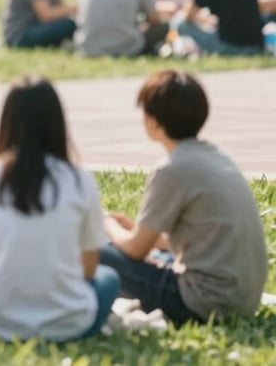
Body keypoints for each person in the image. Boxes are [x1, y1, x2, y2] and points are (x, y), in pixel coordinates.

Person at [0, 78, 118, 342]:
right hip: (67, 325)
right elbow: (89, 269)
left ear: (7, 122)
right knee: (108, 278)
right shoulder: (80, 181)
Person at [100, 70, 268, 324]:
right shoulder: (218, 157)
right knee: (146, 254)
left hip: (203, 303)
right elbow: (203, 240)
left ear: (154, 122)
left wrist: (106, 223)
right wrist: (138, 232)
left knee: (93, 250)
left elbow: (135, 249)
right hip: (243, 298)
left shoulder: (171, 169)